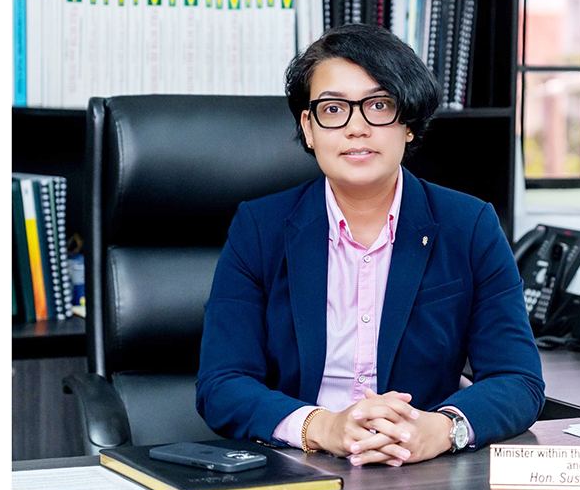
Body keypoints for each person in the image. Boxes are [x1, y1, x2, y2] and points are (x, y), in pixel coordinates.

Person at [196, 23, 545, 467]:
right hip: (296, 466)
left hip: (421, 471)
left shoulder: (469, 225)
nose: (356, 127)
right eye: (333, 109)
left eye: (379, 105)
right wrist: (323, 427)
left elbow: (518, 380)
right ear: (308, 127)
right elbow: (222, 383)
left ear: (409, 125)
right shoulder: (260, 229)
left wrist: (440, 429)